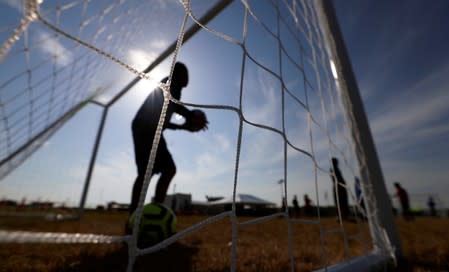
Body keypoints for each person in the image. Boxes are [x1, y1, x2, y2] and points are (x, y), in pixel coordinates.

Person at [130, 62, 207, 215]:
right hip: (145, 128)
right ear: (178, 74)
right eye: (186, 74)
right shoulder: (169, 84)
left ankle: (152, 210)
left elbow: (163, 122)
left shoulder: (175, 90)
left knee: (165, 170)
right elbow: (173, 104)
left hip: (150, 129)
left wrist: (183, 126)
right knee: (154, 172)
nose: (188, 79)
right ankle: (137, 215)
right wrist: (191, 116)